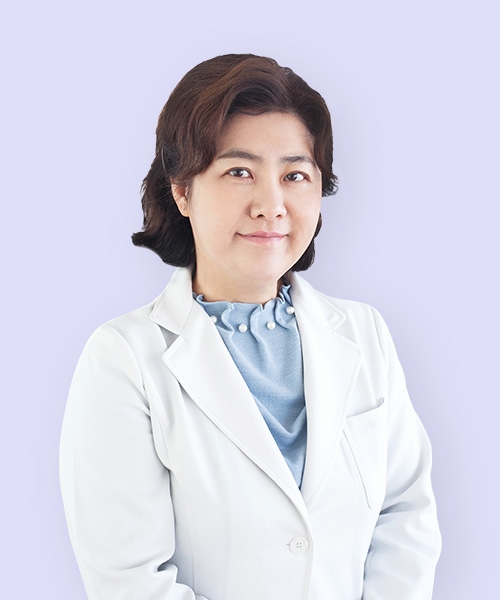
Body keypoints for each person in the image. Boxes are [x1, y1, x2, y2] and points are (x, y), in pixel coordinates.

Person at [59, 54, 441, 600]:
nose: (271, 205)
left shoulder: (364, 333)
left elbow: (405, 514)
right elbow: (131, 578)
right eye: (239, 172)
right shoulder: (124, 359)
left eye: (295, 175)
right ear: (182, 190)